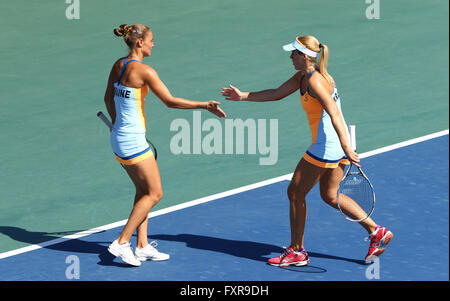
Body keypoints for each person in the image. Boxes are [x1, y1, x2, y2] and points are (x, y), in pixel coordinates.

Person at [221, 35, 393, 267]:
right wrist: (243, 96)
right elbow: (276, 93)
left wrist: (345, 147)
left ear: (305, 56)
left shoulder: (315, 81)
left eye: (294, 53)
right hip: (337, 144)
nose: (290, 56)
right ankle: (376, 231)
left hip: (328, 146)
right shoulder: (303, 76)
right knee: (329, 195)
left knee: (295, 193)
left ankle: (296, 251)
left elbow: (334, 113)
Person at [104, 24, 226, 266]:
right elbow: (170, 102)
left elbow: (108, 97)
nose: (153, 44)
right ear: (140, 43)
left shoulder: (120, 65)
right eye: (151, 40)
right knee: (155, 193)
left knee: (143, 191)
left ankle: (142, 246)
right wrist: (204, 105)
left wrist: (118, 124)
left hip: (120, 138)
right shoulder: (145, 71)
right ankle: (121, 242)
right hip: (133, 141)